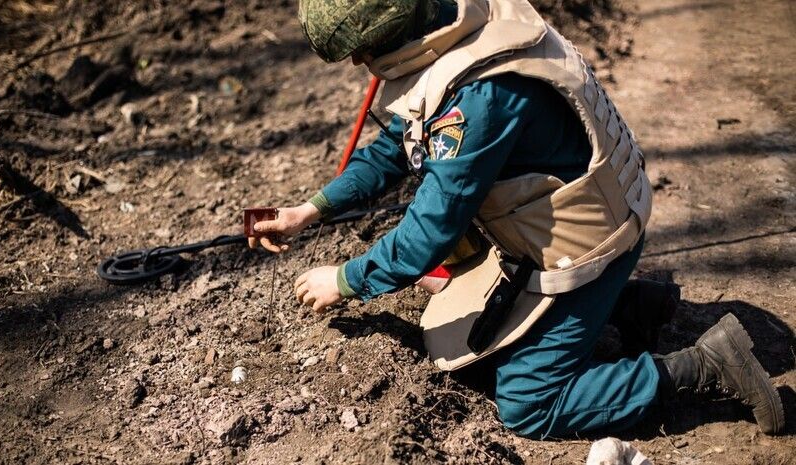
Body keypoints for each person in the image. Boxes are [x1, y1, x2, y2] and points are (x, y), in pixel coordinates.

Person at [248, 0, 784, 437]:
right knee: (481, 337)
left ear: (388, 35)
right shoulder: (462, 22)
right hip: (597, 210)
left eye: (359, 52)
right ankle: (633, 306)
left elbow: (429, 234)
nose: (358, 65)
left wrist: (344, 280)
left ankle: (704, 366)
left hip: (592, 244)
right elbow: (397, 145)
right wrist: (308, 210)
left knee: (528, 404)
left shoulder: (478, 97)